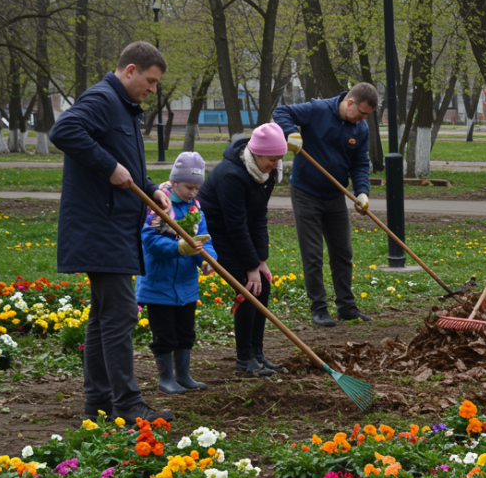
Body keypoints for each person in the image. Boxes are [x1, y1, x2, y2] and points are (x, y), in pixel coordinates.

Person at [50, 41, 177, 423]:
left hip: (114, 228)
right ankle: (127, 403)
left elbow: (128, 166)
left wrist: (151, 187)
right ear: (131, 69)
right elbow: (64, 130)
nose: (153, 90)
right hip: (99, 228)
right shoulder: (104, 99)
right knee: (120, 314)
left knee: (105, 316)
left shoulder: (124, 108)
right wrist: (108, 167)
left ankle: (100, 403)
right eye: (151, 81)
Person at [273, 82, 378, 327]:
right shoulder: (317, 109)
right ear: (349, 103)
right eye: (362, 113)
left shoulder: (360, 129)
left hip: (335, 196)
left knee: (343, 253)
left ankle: (347, 307)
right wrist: (292, 133)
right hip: (306, 192)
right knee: (313, 255)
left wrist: (361, 192)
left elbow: (360, 164)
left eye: (368, 116)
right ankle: (319, 309)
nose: (363, 119)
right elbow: (281, 112)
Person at [198, 123, 286, 378]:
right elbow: (235, 225)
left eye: (279, 159)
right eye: (271, 159)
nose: (275, 164)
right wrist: (250, 267)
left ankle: (257, 354)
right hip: (216, 234)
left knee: (263, 286)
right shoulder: (231, 175)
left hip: (237, 232)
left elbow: (258, 218)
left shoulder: (264, 174)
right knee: (249, 289)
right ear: (256, 154)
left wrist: (261, 260)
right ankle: (244, 359)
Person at [136, 152, 217, 394]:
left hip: (186, 285)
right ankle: (166, 379)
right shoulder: (159, 206)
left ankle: (183, 375)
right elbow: (150, 242)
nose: (193, 192)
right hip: (158, 285)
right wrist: (178, 248)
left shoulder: (195, 208)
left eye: (197, 188)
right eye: (189, 187)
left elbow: (204, 239)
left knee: (185, 332)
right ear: (174, 183)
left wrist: (208, 260)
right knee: (164, 335)